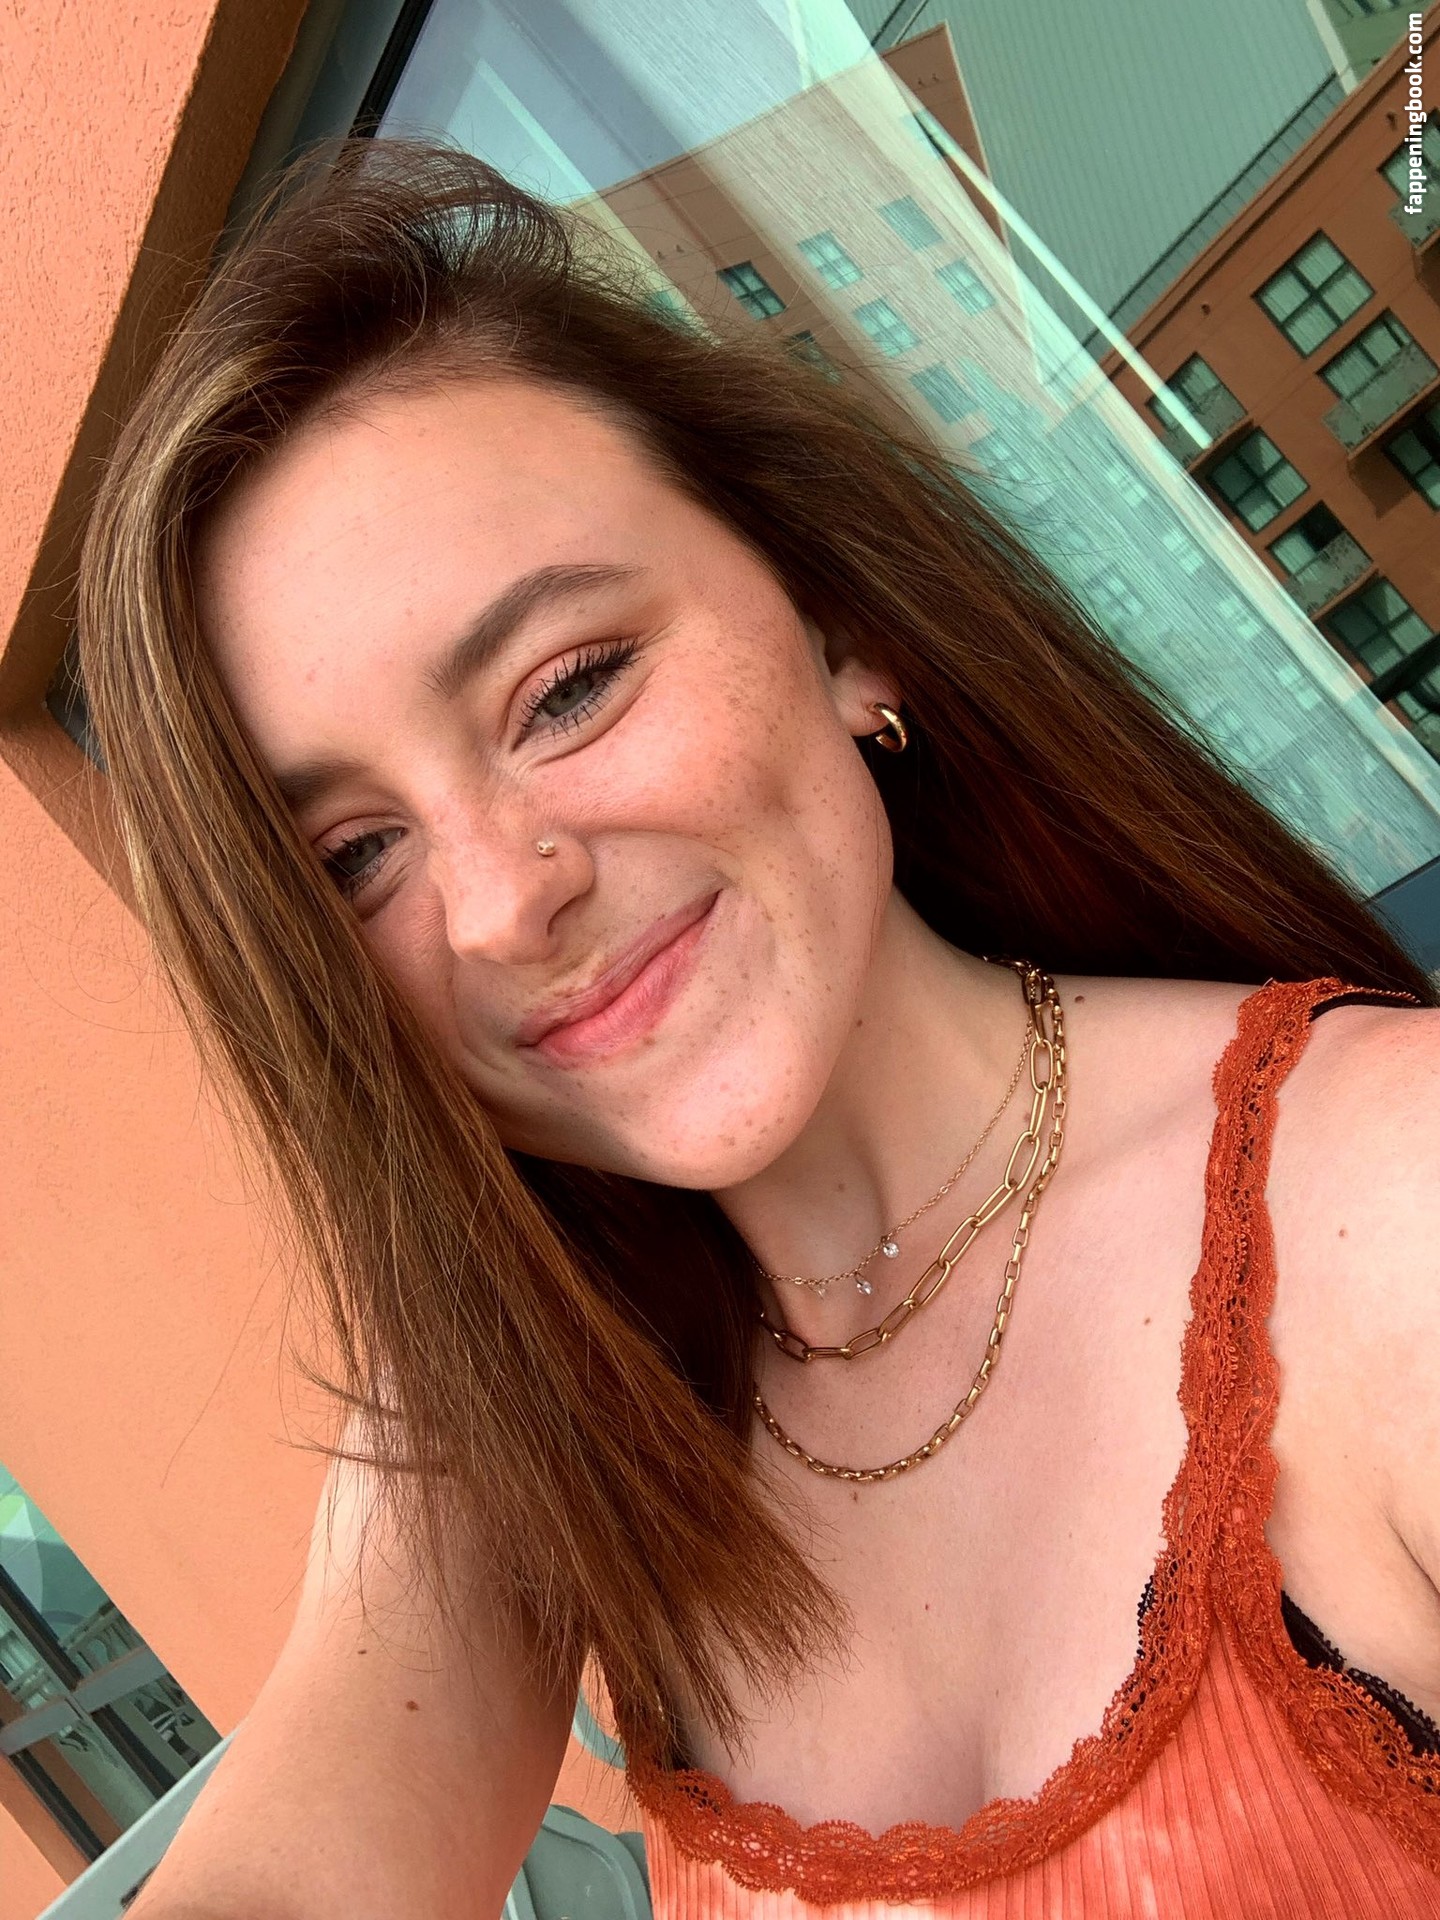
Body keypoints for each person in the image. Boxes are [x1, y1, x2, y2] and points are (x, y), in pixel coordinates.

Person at [77, 139, 1440, 1918]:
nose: (498, 903)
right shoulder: (567, 1423)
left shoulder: (1391, 1203)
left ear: (842, 627)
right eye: (353, 858)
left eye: (569, 687)